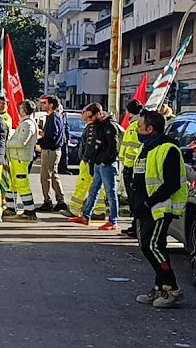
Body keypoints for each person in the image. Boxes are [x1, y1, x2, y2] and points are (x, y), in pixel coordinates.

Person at [132, 109, 186, 308]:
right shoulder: (146, 147)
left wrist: (148, 202)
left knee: (152, 246)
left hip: (159, 207)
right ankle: (159, 287)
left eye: (140, 126)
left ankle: (171, 287)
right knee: (151, 246)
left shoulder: (168, 148)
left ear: (150, 129)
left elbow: (172, 183)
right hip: (146, 208)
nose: (137, 129)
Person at [71, 103, 121, 231]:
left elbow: (113, 148)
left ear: (99, 113)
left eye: (91, 116)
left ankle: (113, 221)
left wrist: (104, 160)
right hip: (98, 163)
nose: (90, 120)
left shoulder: (110, 126)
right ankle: (86, 216)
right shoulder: (99, 124)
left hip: (107, 165)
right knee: (94, 190)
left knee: (111, 192)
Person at [6, 100, 39, 221]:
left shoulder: (28, 124)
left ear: (23, 111)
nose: (19, 110)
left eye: (20, 109)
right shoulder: (25, 123)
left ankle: (29, 211)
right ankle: (11, 208)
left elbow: (21, 142)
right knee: (12, 184)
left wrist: (7, 143)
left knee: (22, 185)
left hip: (21, 159)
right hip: (16, 159)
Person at [118, 99, 145, 236]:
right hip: (131, 166)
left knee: (135, 199)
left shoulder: (135, 126)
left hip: (133, 168)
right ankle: (135, 225)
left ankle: (136, 226)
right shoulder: (136, 124)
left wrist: (128, 165)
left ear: (129, 112)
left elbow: (134, 148)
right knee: (134, 198)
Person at [37, 95, 68, 212]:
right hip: (53, 150)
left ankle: (47, 201)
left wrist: (42, 134)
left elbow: (52, 135)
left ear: (51, 105)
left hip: (50, 150)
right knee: (54, 176)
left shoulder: (54, 117)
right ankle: (60, 201)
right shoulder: (56, 116)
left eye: (44, 103)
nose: (42, 105)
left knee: (45, 177)